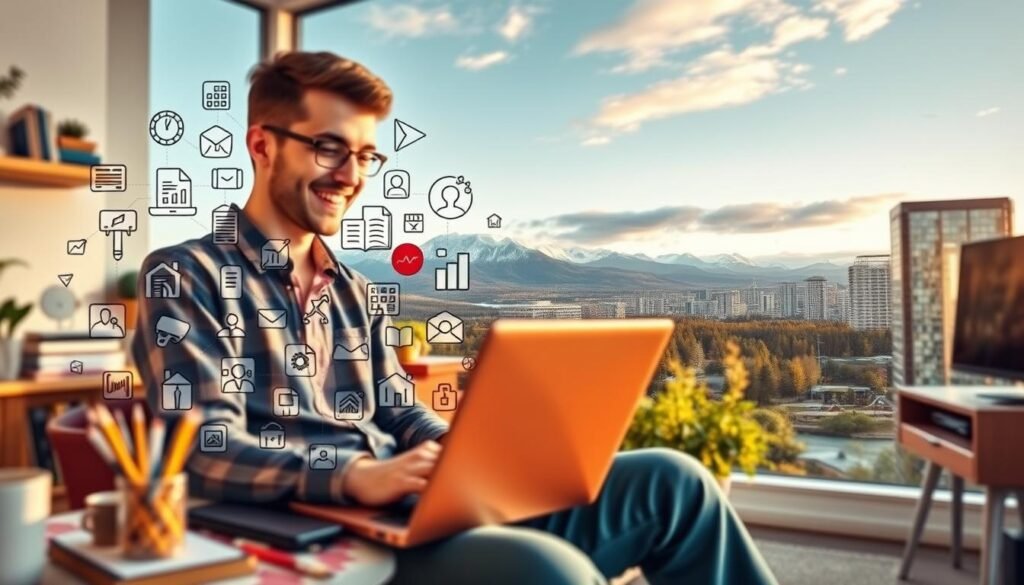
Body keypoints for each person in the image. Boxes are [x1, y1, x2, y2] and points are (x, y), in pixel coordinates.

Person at [132, 51, 777, 585]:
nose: (352, 175)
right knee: (552, 572)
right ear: (262, 144)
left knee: (674, 482)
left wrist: (460, 458)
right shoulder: (185, 277)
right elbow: (204, 447)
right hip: (323, 529)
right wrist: (355, 475)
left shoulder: (353, 287)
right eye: (331, 149)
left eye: (366, 156)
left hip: (413, 506)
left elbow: (396, 409)